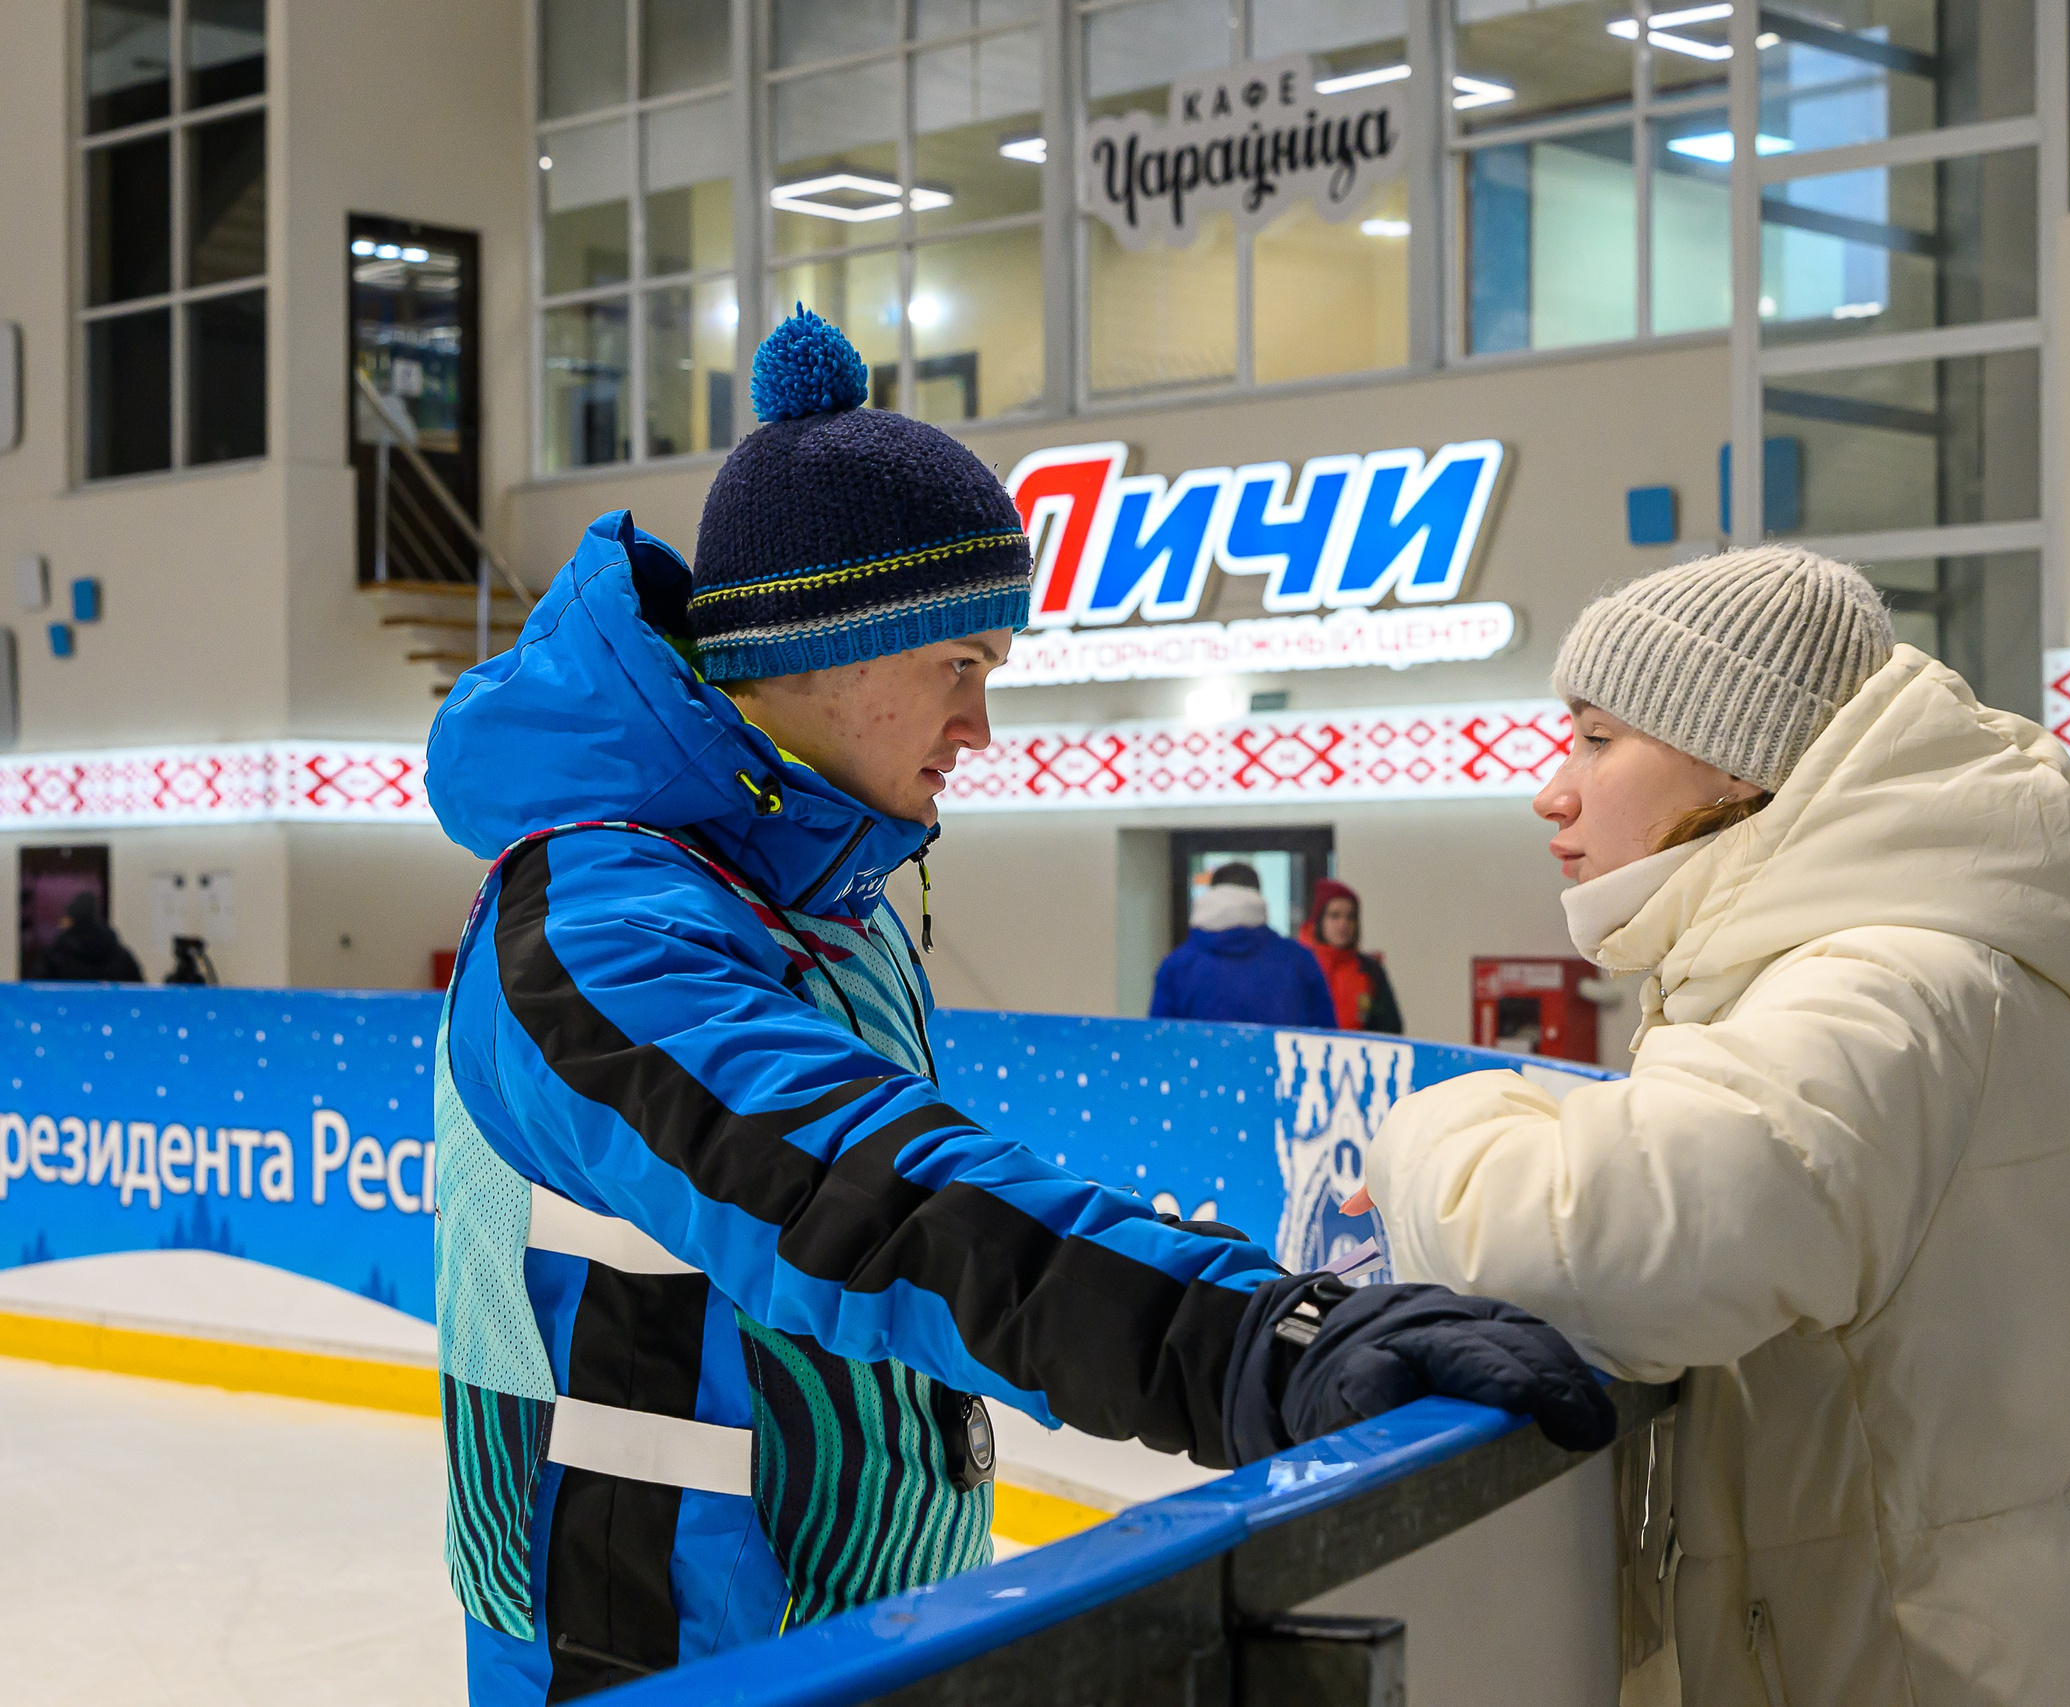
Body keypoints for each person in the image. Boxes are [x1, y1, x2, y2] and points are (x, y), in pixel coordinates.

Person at [423, 310, 1610, 1704]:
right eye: (960, 664)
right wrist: (1251, 1340)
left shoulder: (828, 900)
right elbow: (880, 1199)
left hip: (848, 1618)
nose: (982, 726)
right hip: (652, 1643)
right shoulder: (591, 931)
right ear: (820, 644)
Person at [1360, 549, 2070, 1706]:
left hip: (1955, 1665)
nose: (1552, 791)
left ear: (1733, 753)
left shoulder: (1884, 986)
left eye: (1595, 739)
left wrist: (1428, 1124)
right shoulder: (1887, 963)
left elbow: (1582, 1247)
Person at [1148, 862, 1336, 1028]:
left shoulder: (1177, 965)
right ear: (1258, 897)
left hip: (1200, 1068)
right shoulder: (1299, 961)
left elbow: (1160, 1043)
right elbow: (1326, 1040)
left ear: (1213, 895)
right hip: (1280, 1066)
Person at [1297, 877, 1403, 1034]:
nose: (1343, 924)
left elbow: (1390, 1027)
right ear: (1319, 921)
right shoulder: (1300, 965)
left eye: (1350, 917)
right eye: (1334, 916)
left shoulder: (1371, 971)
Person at [33, 891, 143, 982]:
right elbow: (138, 993)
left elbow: (38, 993)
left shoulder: (54, 956)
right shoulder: (121, 957)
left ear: (71, 920)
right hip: (111, 1008)